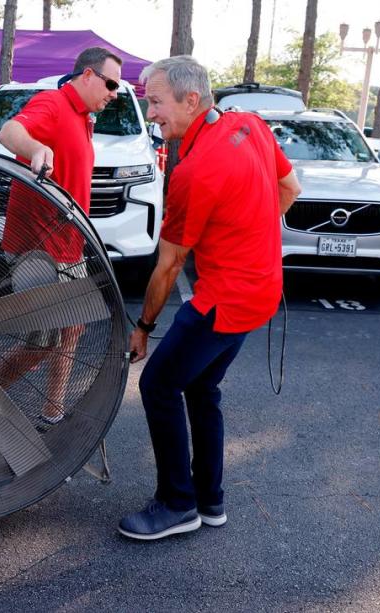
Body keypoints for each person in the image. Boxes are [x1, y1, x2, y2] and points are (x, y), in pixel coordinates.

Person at [118, 56, 302, 540]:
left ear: (191, 100)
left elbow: (169, 265)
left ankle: (178, 504)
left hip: (227, 300)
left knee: (158, 386)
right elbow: (289, 187)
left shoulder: (193, 172)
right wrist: (249, 232)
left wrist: (143, 329)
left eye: (156, 102)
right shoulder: (250, 124)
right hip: (263, 291)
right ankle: (209, 499)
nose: (150, 112)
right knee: (201, 387)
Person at [0, 46, 121, 425]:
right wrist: (35, 148)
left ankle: (53, 408)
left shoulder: (83, 116)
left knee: (73, 326)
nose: (114, 92)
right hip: (38, 249)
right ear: (86, 76)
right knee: (40, 343)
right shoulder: (52, 102)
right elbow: (9, 131)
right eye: (110, 83)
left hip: (68, 243)